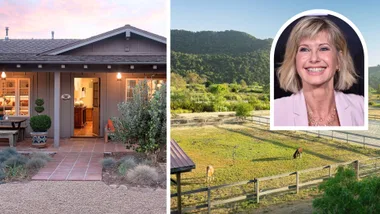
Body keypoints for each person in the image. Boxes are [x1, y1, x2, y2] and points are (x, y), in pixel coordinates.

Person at [274, 16, 364, 126]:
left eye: (323, 48)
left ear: (339, 60)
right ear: (294, 60)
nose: (314, 58)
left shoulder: (361, 106)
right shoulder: (276, 111)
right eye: (304, 49)